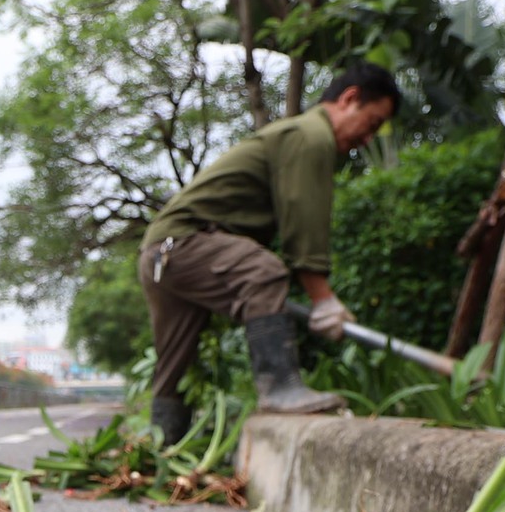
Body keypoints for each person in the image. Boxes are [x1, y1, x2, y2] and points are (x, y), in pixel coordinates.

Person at [138, 63, 401, 442]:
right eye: (372, 124)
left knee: (176, 359)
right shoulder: (312, 136)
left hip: (160, 253)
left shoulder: (294, 133)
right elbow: (303, 217)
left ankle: (163, 447)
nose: (367, 139)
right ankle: (280, 389)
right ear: (350, 99)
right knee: (262, 273)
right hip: (185, 242)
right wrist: (322, 298)